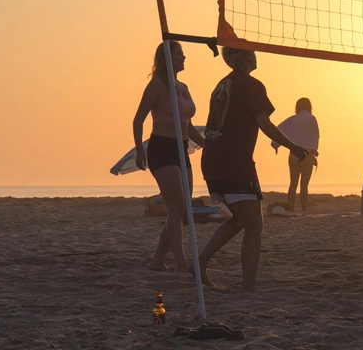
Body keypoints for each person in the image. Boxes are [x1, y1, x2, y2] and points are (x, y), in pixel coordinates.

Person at [196, 47, 308, 292]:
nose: (257, 55)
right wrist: (293, 146)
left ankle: (200, 261)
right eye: (254, 52)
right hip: (234, 161)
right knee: (254, 224)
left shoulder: (221, 85)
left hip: (212, 159)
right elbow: (264, 123)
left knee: (239, 219)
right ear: (247, 57)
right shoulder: (251, 84)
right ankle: (249, 289)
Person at [130, 41, 207, 273]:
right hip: (161, 149)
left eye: (183, 54)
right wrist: (139, 150)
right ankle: (182, 263)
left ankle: (158, 260)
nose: (184, 58)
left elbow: (189, 125)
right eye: (179, 54)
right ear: (167, 58)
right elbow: (138, 120)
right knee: (177, 207)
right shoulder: (157, 86)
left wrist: (206, 145)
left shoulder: (183, 87)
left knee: (182, 210)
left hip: (182, 149)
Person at [271, 98, 320, 214]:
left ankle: (291, 207)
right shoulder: (311, 119)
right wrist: (314, 149)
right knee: (304, 184)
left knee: (293, 183)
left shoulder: (292, 120)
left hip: (294, 152)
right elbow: (316, 135)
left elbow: (279, 129)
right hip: (307, 153)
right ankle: (303, 208)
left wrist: (276, 144)